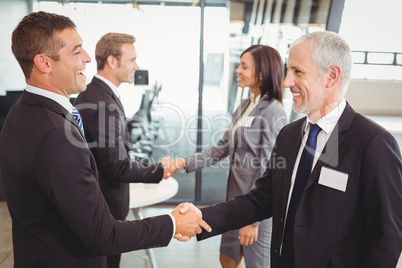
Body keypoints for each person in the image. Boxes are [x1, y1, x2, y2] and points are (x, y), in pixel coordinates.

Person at [0, 11, 210, 267]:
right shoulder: (56, 135)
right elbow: (103, 235)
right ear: (45, 63)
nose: (88, 58)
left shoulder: (21, 113)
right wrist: (173, 222)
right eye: (77, 51)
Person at [178, 31, 402, 267]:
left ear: (331, 76)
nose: (286, 82)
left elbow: (387, 238)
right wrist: (202, 217)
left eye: (298, 71)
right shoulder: (290, 134)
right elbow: (261, 200)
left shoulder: (373, 143)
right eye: (288, 70)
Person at [169, 45, 287, 268]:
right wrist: (184, 162)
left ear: (262, 72)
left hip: (255, 210)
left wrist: (253, 221)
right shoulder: (244, 106)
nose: (237, 71)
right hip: (234, 203)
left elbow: (268, 168)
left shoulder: (274, 111)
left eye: (244, 66)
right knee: (227, 259)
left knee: (256, 264)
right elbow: (222, 148)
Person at [74, 32, 169, 268]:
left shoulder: (98, 94)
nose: (136, 66)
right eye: (132, 60)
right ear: (112, 61)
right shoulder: (103, 103)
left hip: (100, 206)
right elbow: (117, 166)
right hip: (105, 208)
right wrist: (160, 170)